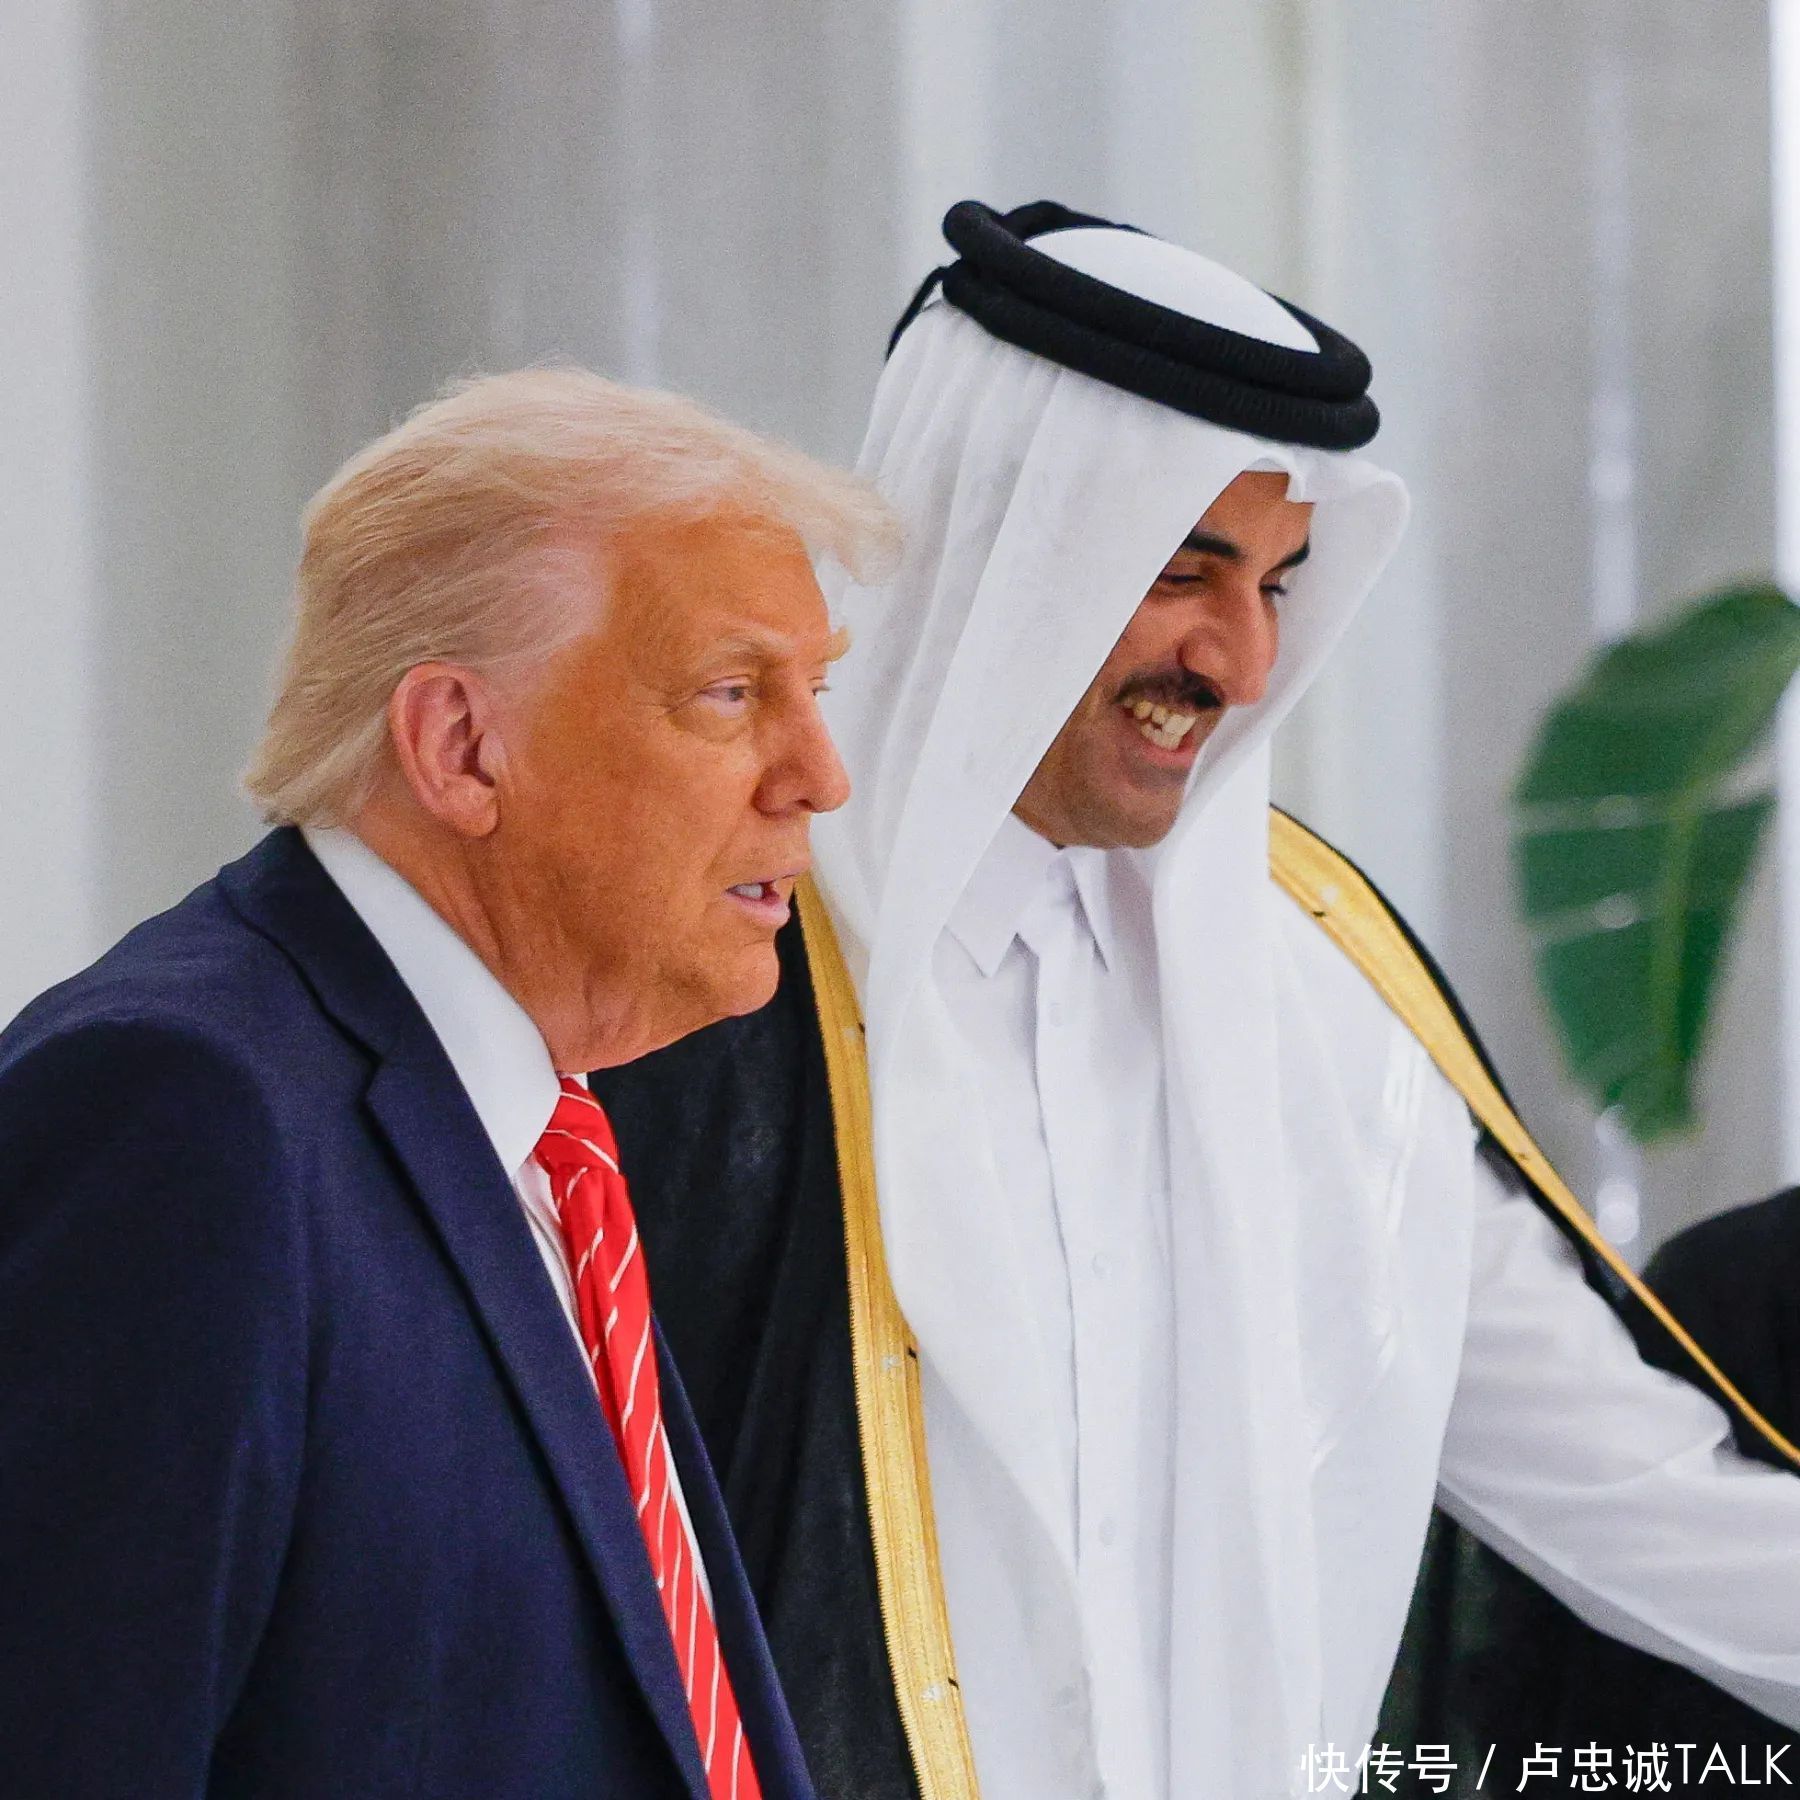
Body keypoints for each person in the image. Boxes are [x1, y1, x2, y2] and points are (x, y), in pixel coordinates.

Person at [590, 201, 1800, 1800]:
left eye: (1281, 587)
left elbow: (1628, 1487)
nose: (1238, 662)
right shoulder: (700, 969)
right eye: (1182, 573)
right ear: (995, 544)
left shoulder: (1318, 990)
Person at [0, 368, 895, 1799]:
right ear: (460, 747)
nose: (819, 776)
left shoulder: (542, 1128)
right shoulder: (184, 1110)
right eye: (731, 694)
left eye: (817, 691)